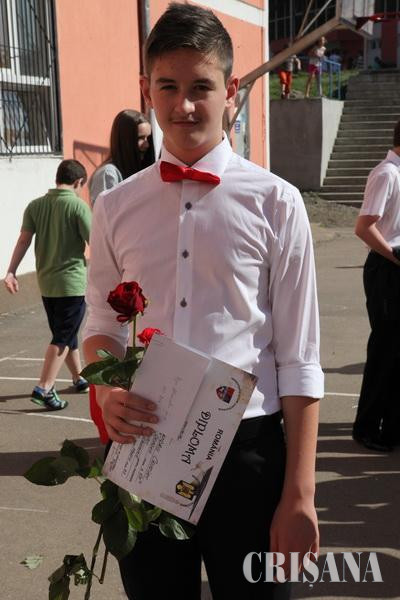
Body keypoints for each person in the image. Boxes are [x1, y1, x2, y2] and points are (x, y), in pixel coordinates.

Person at [83, 4, 324, 599]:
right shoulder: (115, 207)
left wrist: (300, 493)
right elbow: (100, 325)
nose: (184, 105)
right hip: (146, 444)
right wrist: (106, 392)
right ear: (146, 89)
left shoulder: (277, 203)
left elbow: (299, 356)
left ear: (231, 90)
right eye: (168, 86)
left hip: (248, 452)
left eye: (201, 87)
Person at [88, 109, 155, 442]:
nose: (145, 145)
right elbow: (107, 227)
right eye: (139, 138)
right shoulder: (110, 175)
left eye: (147, 138)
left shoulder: (144, 173)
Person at [4, 159, 91, 410]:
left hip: (47, 283)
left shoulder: (36, 205)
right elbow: (96, 240)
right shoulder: (78, 206)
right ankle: (44, 387)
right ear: (79, 182)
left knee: (65, 333)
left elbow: (23, 241)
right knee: (63, 335)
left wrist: (11, 271)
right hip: (71, 283)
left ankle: (78, 377)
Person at [352, 120, 400, 453]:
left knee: (396, 353)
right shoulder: (386, 173)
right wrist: (395, 257)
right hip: (387, 267)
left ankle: (391, 426)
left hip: (393, 263)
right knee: (385, 350)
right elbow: (363, 227)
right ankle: (367, 428)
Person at [89, 109, 154, 206]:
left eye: (148, 138)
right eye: (140, 138)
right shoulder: (108, 173)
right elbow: (106, 212)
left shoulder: (142, 170)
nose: (147, 145)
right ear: (124, 140)